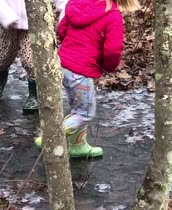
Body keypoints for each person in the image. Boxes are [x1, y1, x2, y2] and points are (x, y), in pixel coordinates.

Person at [35, 0, 140, 157]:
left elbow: (62, 28)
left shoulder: (77, 3)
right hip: (81, 71)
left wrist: (70, 49)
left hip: (62, 63)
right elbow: (112, 51)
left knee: (78, 107)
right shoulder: (113, 16)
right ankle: (49, 137)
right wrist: (108, 67)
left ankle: (78, 145)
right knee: (84, 113)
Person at [0, 0, 67, 114]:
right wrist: (6, 15)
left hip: (34, 23)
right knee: (4, 55)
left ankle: (34, 92)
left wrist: (66, 11)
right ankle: (0, 76)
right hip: (7, 22)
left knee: (31, 60)